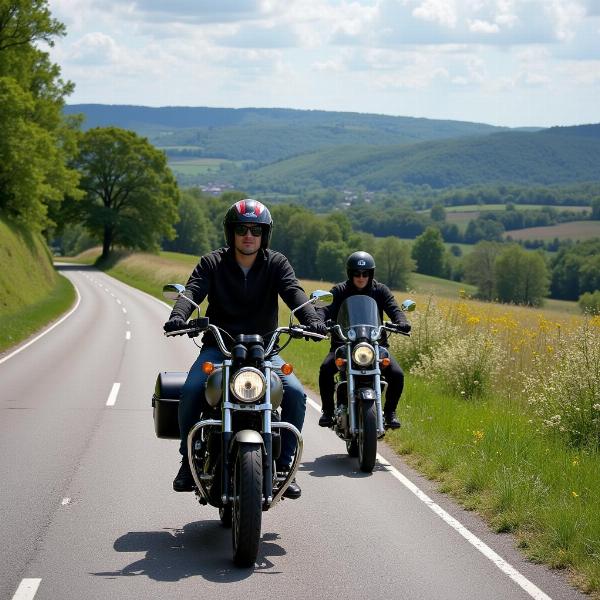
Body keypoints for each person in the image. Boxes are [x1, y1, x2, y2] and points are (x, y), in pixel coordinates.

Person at [163, 199, 327, 498]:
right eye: (241, 229)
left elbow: (294, 292)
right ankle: (188, 461)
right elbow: (193, 290)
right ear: (231, 233)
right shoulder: (212, 262)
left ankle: (283, 465)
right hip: (220, 349)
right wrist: (178, 316)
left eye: (255, 229)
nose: (248, 235)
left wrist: (313, 320)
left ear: (265, 234)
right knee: (191, 389)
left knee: (294, 392)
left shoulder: (276, 263)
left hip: (265, 351)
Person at [317, 251, 411, 430]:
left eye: (365, 274)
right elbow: (324, 309)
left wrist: (402, 322)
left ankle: (390, 412)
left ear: (371, 274)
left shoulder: (380, 290)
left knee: (397, 374)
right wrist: (318, 321)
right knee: (325, 369)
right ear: (350, 274)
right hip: (344, 345)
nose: (361, 278)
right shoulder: (340, 291)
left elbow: (394, 308)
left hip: (375, 346)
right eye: (356, 274)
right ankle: (328, 411)